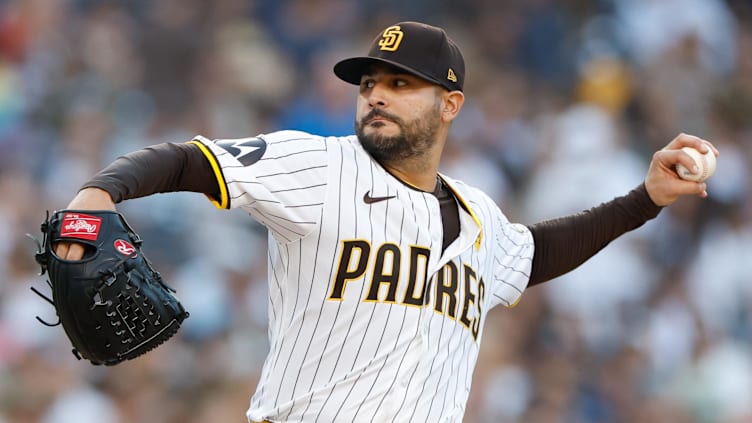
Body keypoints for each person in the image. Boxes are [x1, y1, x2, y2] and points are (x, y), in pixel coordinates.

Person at [53, 21, 718, 423]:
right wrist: (99, 194)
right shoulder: (318, 166)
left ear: (451, 104)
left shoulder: (480, 214)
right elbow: (188, 159)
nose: (376, 93)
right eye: (371, 81)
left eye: (402, 84)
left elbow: (533, 254)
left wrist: (646, 199)